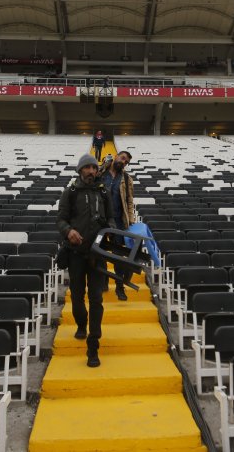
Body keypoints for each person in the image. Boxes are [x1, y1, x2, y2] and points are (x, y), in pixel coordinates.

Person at [57, 154, 113, 368]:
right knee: (78, 296)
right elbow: (60, 219)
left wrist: (109, 229)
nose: (91, 171)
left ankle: (93, 343)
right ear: (80, 171)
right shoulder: (70, 192)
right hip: (76, 254)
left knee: (96, 298)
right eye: (87, 168)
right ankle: (81, 323)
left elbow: (110, 217)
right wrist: (68, 230)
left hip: (97, 253)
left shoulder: (102, 191)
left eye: (93, 167)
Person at [98, 150, 136, 300]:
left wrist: (131, 221)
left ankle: (119, 286)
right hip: (100, 221)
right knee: (100, 253)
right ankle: (104, 281)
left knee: (119, 256)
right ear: (116, 156)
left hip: (119, 221)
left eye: (126, 162)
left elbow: (130, 201)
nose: (124, 162)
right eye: (123, 158)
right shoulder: (101, 173)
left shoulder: (127, 179)